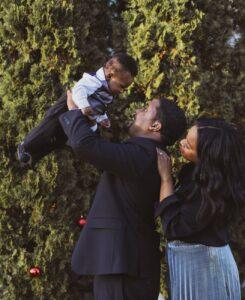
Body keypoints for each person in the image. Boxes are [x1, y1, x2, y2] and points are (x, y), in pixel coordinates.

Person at [59, 91, 187, 300]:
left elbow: (85, 146)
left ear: (155, 126)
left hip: (123, 265)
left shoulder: (142, 155)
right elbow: (99, 149)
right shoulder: (145, 154)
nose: (138, 111)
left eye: (146, 109)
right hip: (125, 263)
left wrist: (74, 111)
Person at [155, 118, 244, 300]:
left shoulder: (211, 192)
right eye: (185, 138)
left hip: (206, 270)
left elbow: (173, 226)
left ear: (206, 158)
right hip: (191, 264)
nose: (181, 143)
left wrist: (166, 179)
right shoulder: (194, 173)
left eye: (188, 146)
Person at [17, 53, 137, 166]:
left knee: (58, 140)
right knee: (48, 128)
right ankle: (26, 146)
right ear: (110, 75)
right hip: (65, 107)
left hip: (76, 116)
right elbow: (79, 90)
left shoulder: (109, 94)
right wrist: (84, 105)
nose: (122, 91)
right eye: (122, 86)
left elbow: (100, 108)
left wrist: (102, 118)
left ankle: (33, 156)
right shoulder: (93, 80)